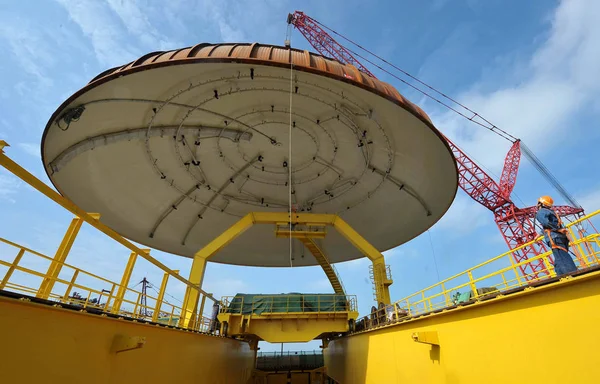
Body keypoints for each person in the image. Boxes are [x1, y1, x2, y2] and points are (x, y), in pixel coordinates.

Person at [535, 195, 578, 275]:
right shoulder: (552, 212)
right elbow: (552, 224)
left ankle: (571, 275)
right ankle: (560, 275)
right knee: (559, 257)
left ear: (541, 204)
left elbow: (546, 223)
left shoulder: (541, 212)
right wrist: (540, 234)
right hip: (561, 237)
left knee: (561, 257)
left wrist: (558, 230)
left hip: (554, 237)